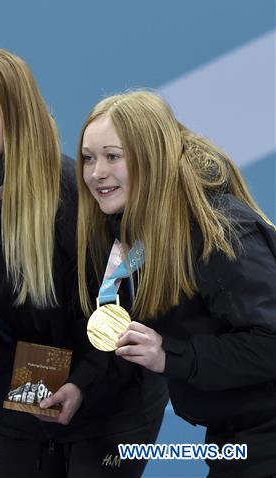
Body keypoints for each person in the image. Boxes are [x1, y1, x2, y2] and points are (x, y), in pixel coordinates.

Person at [0, 49, 167, 477]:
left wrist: (83, 385)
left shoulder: (71, 193)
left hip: (112, 393)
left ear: (18, 117)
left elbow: (124, 305)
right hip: (23, 389)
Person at [77, 90, 276, 477]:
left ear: (151, 159)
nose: (95, 172)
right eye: (88, 157)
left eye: (113, 156)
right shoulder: (143, 232)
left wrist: (171, 355)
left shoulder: (221, 233)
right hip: (235, 435)